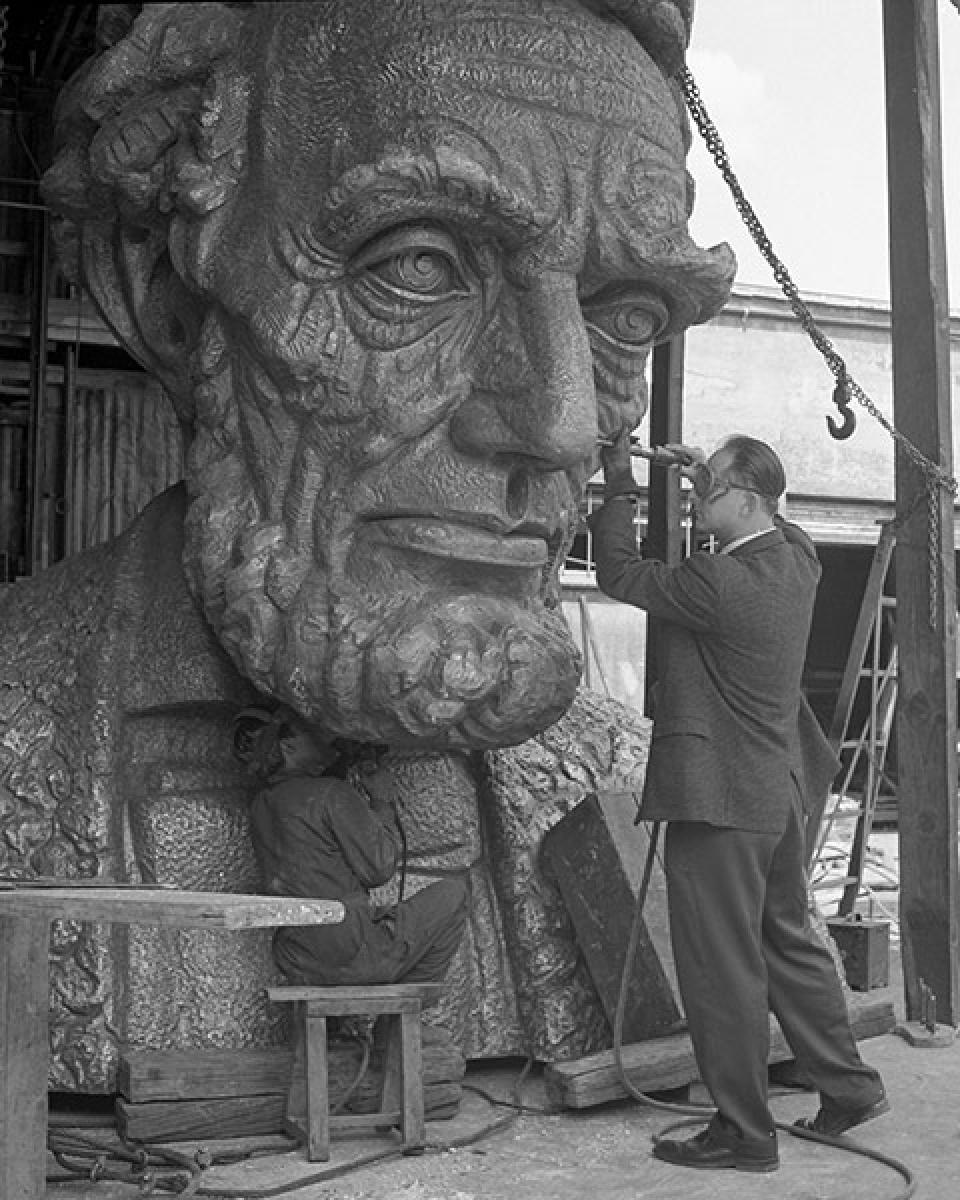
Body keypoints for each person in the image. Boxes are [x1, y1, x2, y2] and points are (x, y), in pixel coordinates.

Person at [588, 433, 888, 1173]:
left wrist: (621, 479)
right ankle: (848, 1085)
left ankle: (744, 1132)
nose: (697, 494)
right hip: (778, 793)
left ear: (747, 499)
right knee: (787, 939)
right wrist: (701, 469)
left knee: (721, 966)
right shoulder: (798, 560)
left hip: (721, 801)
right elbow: (784, 523)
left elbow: (619, 572)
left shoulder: (715, 584)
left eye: (709, 487)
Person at [234, 708, 468, 990]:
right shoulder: (330, 794)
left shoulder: (262, 805)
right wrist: (382, 801)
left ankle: (356, 1025)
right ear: (288, 746)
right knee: (454, 893)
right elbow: (379, 868)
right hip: (351, 955)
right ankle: (411, 1013)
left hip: (298, 959)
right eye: (313, 732)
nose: (326, 737)